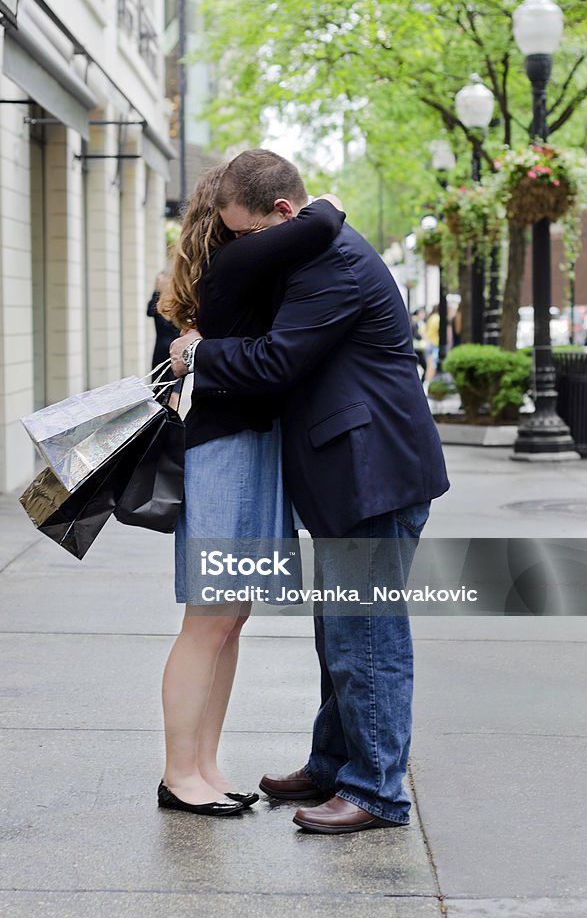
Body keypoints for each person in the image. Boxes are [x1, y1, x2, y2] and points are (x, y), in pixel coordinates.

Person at [170, 148, 449, 835]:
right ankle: (332, 765)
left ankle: (376, 792)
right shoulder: (315, 249)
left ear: (283, 215)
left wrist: (198, 353)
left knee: (368, 638)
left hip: (371, 474)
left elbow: (276, 360)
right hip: (350, 473)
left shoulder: (335, 267)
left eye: (244, 234)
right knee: (340, 634)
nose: (241, 246)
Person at [156, 162, 346, 817]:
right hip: (226, 454)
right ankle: (179, 774)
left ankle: (205, 766)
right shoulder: (236, 264)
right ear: (231, 215)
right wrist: (317, 198)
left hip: (252, 452)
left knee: (231, 619)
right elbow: (324, 218)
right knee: (209, 620)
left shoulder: (239, 264)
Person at [147, 271, 180, 370]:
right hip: (161, 346)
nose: (158, 284)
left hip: (174, 345)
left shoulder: (174, 299)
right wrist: (157, 292)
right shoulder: (156, 301)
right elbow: (149, 312)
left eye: (159, 282)